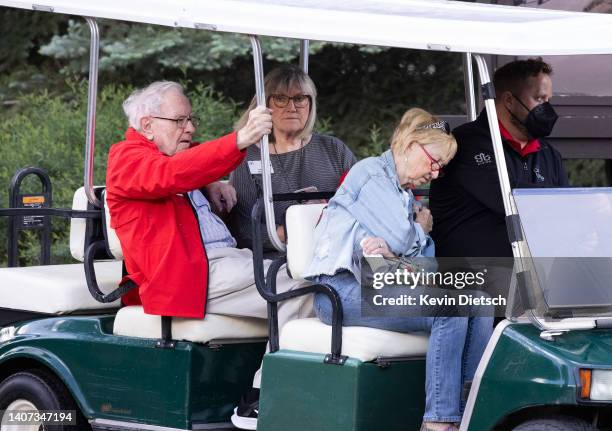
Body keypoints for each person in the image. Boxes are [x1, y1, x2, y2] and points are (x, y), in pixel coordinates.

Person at [105, 81, 313, 431]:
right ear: (147, 126)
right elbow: (170, 174)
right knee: (301, 282)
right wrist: (239, 140)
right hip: (189, 273)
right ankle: (263, 397)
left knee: (313, 273)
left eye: (191, 119)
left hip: (222, 264)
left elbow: (187, 166)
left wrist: (211, 182)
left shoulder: (168, 157)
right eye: (180, 120)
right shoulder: (126, 158)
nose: (191, 128)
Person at [302, 108, 493, 431]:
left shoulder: (403, 195)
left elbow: (425, 264)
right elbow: (401, 238)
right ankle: (439, 422)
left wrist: (402, 249)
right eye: (434, 162)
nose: (434, 174)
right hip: (339, 290)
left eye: (441, 168)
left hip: (377, 285)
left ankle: (468, 411)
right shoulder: (372, 174)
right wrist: (420, 229)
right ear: (409, 144)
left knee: (480, 300)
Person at [429, 58, 569, 258]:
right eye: (539, 99)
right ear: (509, 100)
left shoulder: (549, 154)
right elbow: (512, 200)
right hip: (469, 277)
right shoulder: (466, 144)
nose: (547, 109)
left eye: (548, 100)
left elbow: (565, 210)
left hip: (534, 273)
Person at [228, 65, 357, 253]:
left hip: (338, 250)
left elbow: (364, 202)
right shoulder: (248, 157)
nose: (292, 107)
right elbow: (245, 230)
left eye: (300, 98)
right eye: (280, 99)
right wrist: (295, 231)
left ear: (310, 104)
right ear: (265, 106)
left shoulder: (334, 149)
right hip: (278, 261)